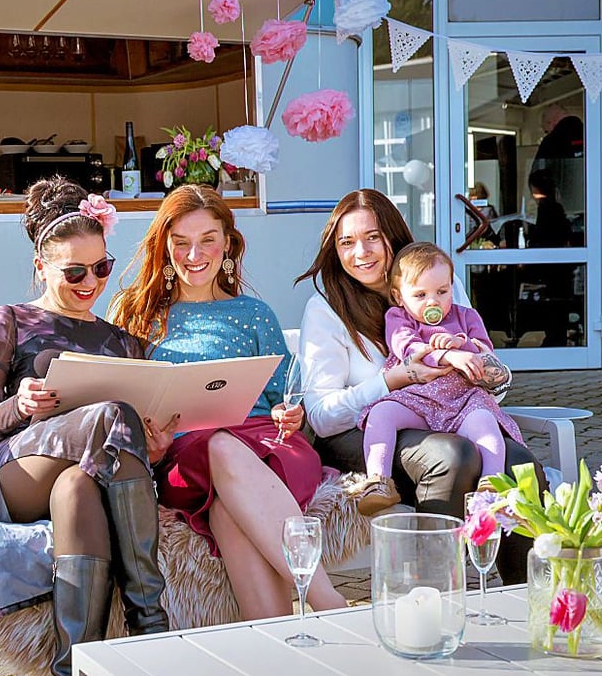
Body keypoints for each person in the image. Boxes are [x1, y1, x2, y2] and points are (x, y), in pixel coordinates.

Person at [110, 184, 347, 620]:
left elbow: (286, 400)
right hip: (185, 460)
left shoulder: (255, 314)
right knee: (217, 445)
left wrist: (290, 415)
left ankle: (281, 650)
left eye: (207, 240)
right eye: (180, 242)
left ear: (228, 245)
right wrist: (153, 445)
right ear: (164, 247)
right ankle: (329, 603)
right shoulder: (137, 316)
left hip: (267, 454)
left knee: (224, 508)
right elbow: (119, 407)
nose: (193, 254)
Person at [0, 176, 169, 676]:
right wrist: (19, 405)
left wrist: (154, 445)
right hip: (19, 471)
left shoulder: (123, 340)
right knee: (111, 414)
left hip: (85, 473)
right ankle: (151, 625)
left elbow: (135, 438)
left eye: (101, 267)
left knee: (78, 486)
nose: (90, 282)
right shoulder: (9, 319)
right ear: (41, 267)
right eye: (74, 270)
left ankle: (76, 665)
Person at [294, 188, 545, 584]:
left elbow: (492, 380)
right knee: (453, 455)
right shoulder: (327, 309)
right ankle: (430, 598)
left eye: (372, 237)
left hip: (449, 412)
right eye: (347, 242)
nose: (361, 252)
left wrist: (488, 370)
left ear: (393, 236)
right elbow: (323, 417)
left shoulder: (438, 280)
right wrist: (392, 381)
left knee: (520, 464)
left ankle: (525, 597)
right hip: (366, 432)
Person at [354, 242, 526, 515]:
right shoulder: (398, 317)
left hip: (463, 399)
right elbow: (406, 348)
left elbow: (485, 352)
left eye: (442, 292)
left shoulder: (466, 316)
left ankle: (493, 484)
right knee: (381, 414)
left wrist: (461, 344)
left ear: (451, 288)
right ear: (399, 296)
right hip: (417, 397)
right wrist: (446, 356)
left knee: (485, 423)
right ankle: (378, 481)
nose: (433, 301)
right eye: (420, 294)